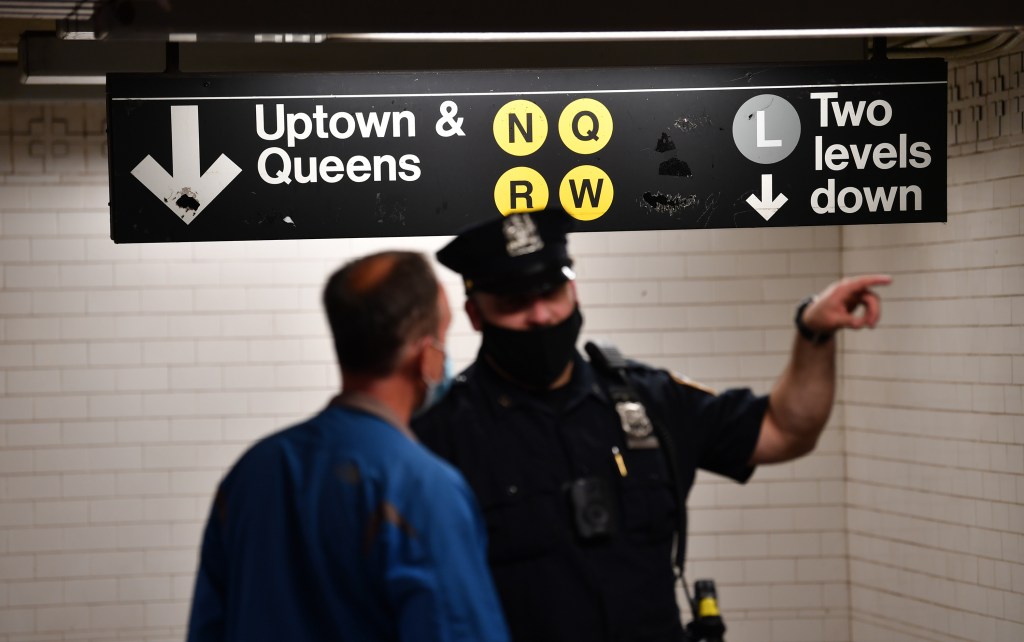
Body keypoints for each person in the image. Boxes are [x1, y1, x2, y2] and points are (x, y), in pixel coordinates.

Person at [412, 210, 891, 642]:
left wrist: (814, 332)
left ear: (573, 290)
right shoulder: (439, 437)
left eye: (551, 292)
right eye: (515, 301)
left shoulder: (650, 398)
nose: (540, 315)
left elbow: (787, 430)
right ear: (476, 314)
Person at [187, 251, 509, 642]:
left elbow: (209, 626)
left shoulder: (253, 472)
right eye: (442, 336)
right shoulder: (424, 489)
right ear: (426, 357)